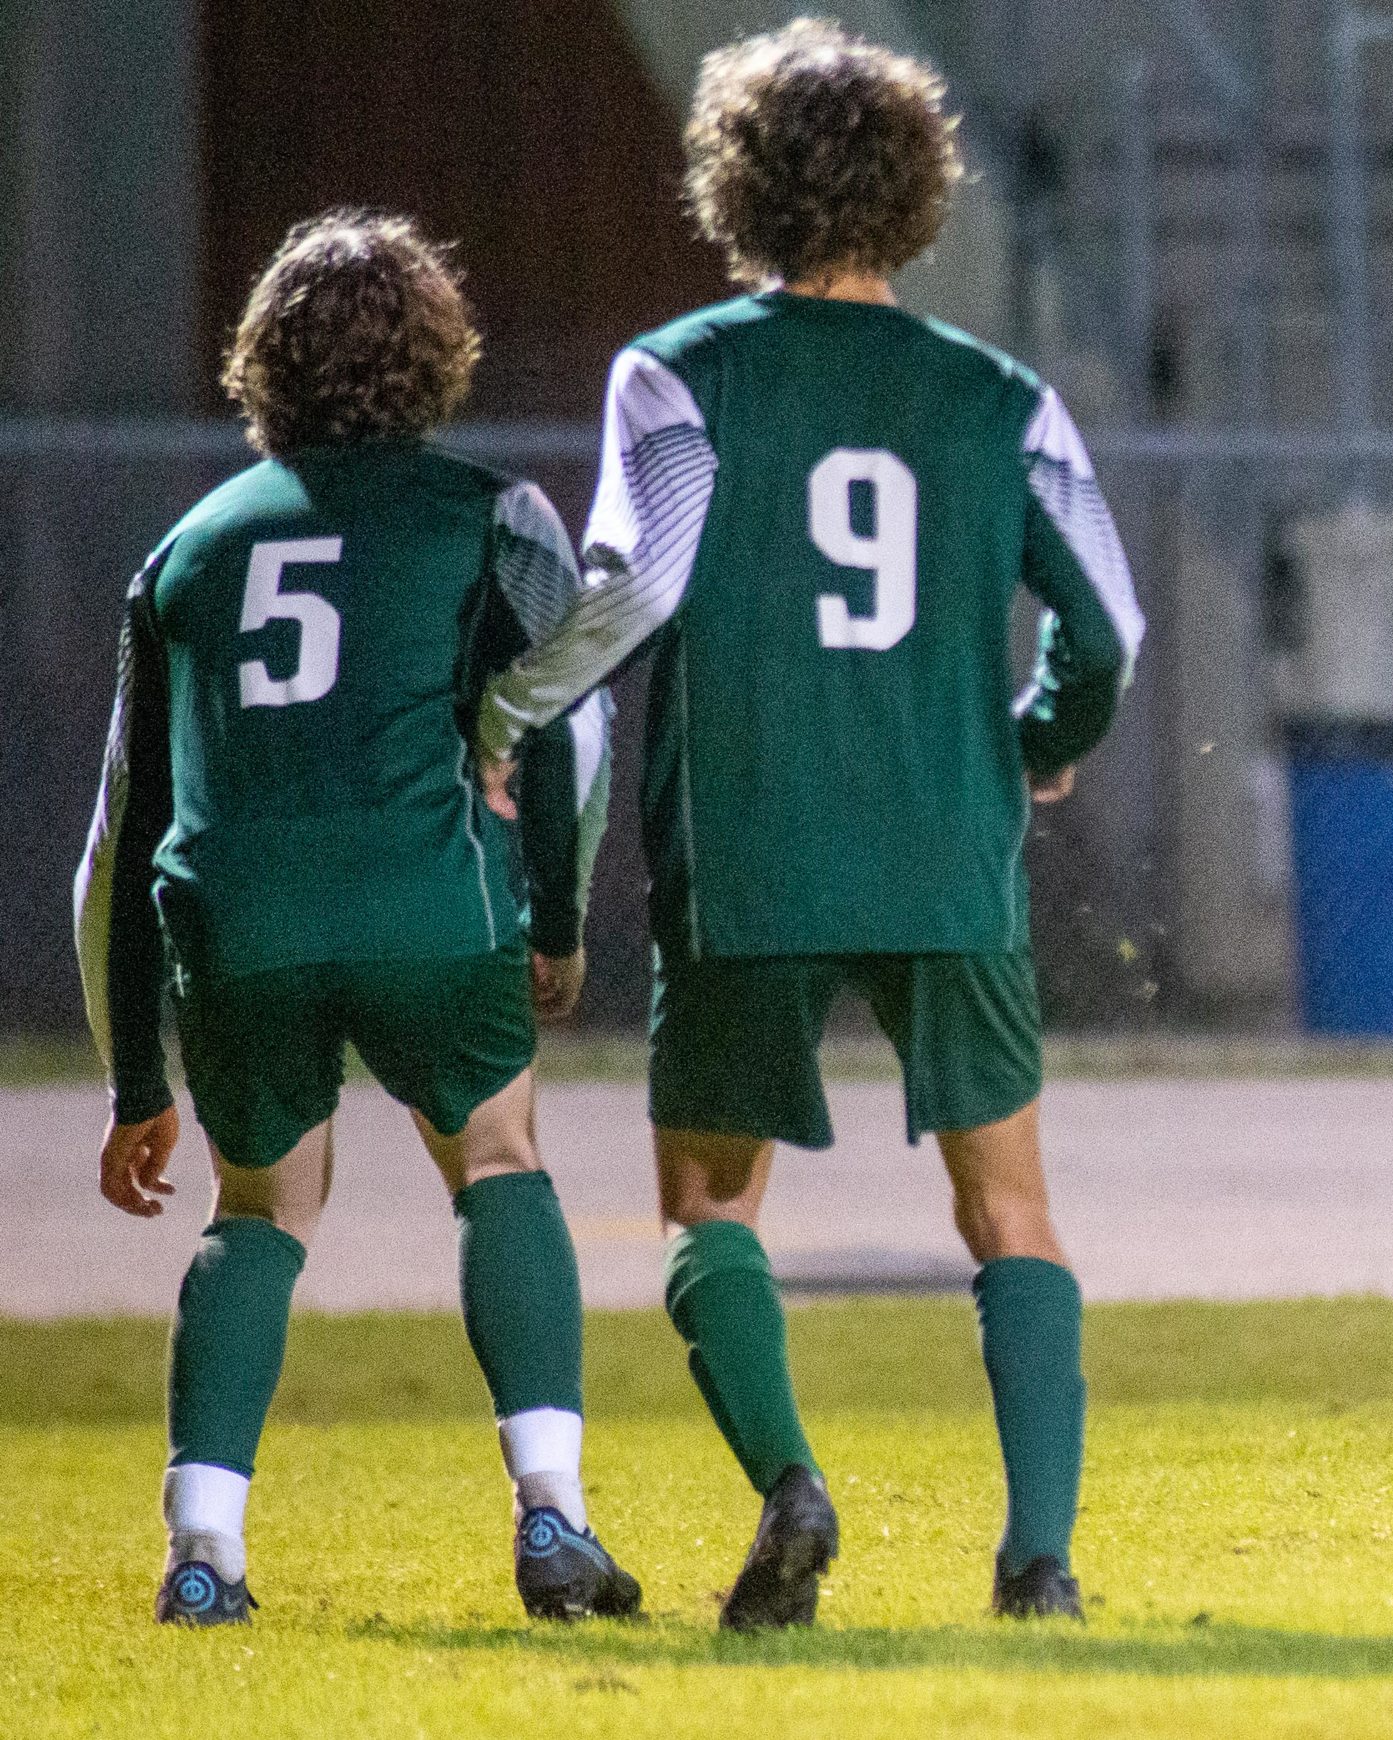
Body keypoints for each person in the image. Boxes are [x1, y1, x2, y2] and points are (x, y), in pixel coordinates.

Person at [471, 20, 1143, 1628]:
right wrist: (1039, 743)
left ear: (738, 188)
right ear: (919, 191)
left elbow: (641, 584)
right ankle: (1039, 1561)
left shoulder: (679, 370)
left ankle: (792, 1485)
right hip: (944, 844)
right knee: (1011, 1211)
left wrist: (505, 711)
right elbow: (1109, 627)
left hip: (751, 838)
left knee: (709, 1207)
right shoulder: (1001, 396)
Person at [77, 212, 635, 1623]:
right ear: (437, 356)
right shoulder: (493, 514)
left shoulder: (185, 552)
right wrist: (559, 919)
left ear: (263, 363)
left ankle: (203, 1548)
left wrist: (134, 1077)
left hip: (237, 925)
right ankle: (554, 1521)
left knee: (259, 1208)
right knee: (500, 1157)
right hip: (426, 905)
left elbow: (118, 840)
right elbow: (564, 736)